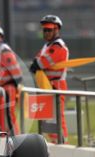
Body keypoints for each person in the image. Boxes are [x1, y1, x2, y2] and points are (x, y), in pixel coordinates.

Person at [29, 15, 69, 143]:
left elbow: (39, 63)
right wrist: (36, 63)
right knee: (48, 118)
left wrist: (37, 64)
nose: (46, 33)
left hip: (56, 86)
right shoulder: (48, 46)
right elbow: (36, 62)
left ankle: (62, 144)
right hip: (47, 85)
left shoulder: (58, 46)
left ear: (57, 30)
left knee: (57, 118)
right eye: (44, 30)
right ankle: (55, 142)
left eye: (49, 30)